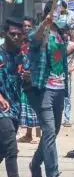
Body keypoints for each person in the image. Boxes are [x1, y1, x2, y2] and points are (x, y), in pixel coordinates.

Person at [27, 0, 73, 177]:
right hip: (44, 89)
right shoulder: (42, 32)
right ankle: (53, 175)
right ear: (49, 12)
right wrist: (43, 25)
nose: (60, 16)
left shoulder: (61, 34)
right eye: (57, 12)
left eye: (62, 13)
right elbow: (33, 39)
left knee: (52, 132)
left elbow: (61, 57)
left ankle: (35, 163)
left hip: (60, 88)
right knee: (49, 131)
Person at [0, 17, 28, 177]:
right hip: (2, 109)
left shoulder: (22, 56)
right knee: (11, 146)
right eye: (12, 34)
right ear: (4, 34)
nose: (16, 37)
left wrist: (29, 77)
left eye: (19, 34)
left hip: (16, 107)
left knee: (2, 150)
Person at [17, 16, 41, 144]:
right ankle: (28, 134)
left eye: (28, 26)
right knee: (25, 106)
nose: (26, 28)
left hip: (34, 77)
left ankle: (38, 135)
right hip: (22, 77)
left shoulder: (36, 41)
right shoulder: (19, 41)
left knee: (35, 106)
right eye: (24, 26)